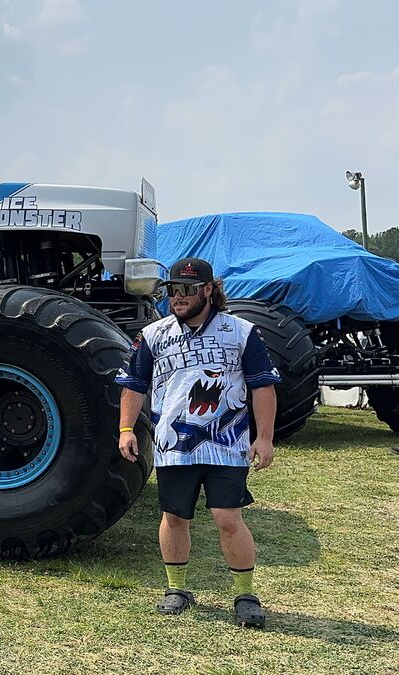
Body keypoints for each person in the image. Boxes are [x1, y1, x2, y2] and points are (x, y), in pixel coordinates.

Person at [115, 257, 281, 629]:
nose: (178, 296)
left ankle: (245, 594)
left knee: (227, 517)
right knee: (174, 517)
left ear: (208, 290)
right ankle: (177, 589)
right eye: (173, 289)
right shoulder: (154, 334)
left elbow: (262, 385)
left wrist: (265, 438)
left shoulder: (241, 332)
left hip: (227, 442)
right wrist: (127, 429)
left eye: (187, 289)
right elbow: (134, 384)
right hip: (174, 444)